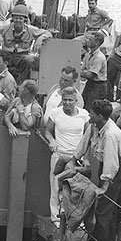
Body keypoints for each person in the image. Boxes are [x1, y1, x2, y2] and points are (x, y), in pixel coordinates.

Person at [69, 99, 121, 241]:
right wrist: (74, 159)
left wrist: (105, 186)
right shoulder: (94, 125)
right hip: (105, 167)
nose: (89, 114)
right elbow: (84, 142)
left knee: (103, 208)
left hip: (115, 170)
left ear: (100, 116)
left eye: (92, 113)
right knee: (106, 207)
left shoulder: (110, 134)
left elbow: (112, 163)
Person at [45, 86, 89, 224]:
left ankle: (74, 219)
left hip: (77, 158)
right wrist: (52, 141)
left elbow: (87, 138)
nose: (67, 103)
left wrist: (86, 158)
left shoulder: (84, 114)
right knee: (56, 186)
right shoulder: (56, 113)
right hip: (59, 155)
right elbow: (48, 131)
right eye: (65, 100)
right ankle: (56, 217)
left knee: (76, 189)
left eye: (70, 100)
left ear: (76, 100)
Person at [0, 5, 51, 83]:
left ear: (25, 20)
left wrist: (40, 39)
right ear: (12, 19)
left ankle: (20, 83)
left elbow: (47, 33)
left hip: (22, 57)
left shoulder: (30, 30)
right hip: (8, 56)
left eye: (20, 18)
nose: (18, 20)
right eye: (16, 18)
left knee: (29, 60)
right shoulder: (6, 28)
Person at [81, 32, 107, 109]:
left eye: (90, 40)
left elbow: (90, 74)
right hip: (90, 83)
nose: (88, 41)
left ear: (97, 43)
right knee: (83, 103)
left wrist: (79, 73)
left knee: (91, 108)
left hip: (98, 86)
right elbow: (83, 69)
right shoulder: (88, 55)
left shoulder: (99, 57)